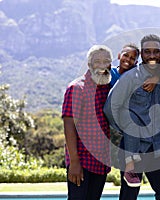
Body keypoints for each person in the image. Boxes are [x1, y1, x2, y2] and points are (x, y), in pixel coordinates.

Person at [104, 34, 160, 200]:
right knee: (129, 196)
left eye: (155, 51)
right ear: (141, 54)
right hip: (133, 147)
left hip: (158, 146)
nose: (151, 55)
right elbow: (110, 108)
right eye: (147, 51)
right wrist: (128, 129)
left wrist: (158, 79)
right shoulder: (130, 77)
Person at [62, 45, 113, 200]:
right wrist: (74, 162)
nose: (102, 65)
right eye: (97, 61)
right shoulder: (77, 88)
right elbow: (69, 125)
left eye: (106, 61)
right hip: (82, 161)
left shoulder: (106, 87)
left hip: (100, 162)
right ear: (89, 64)